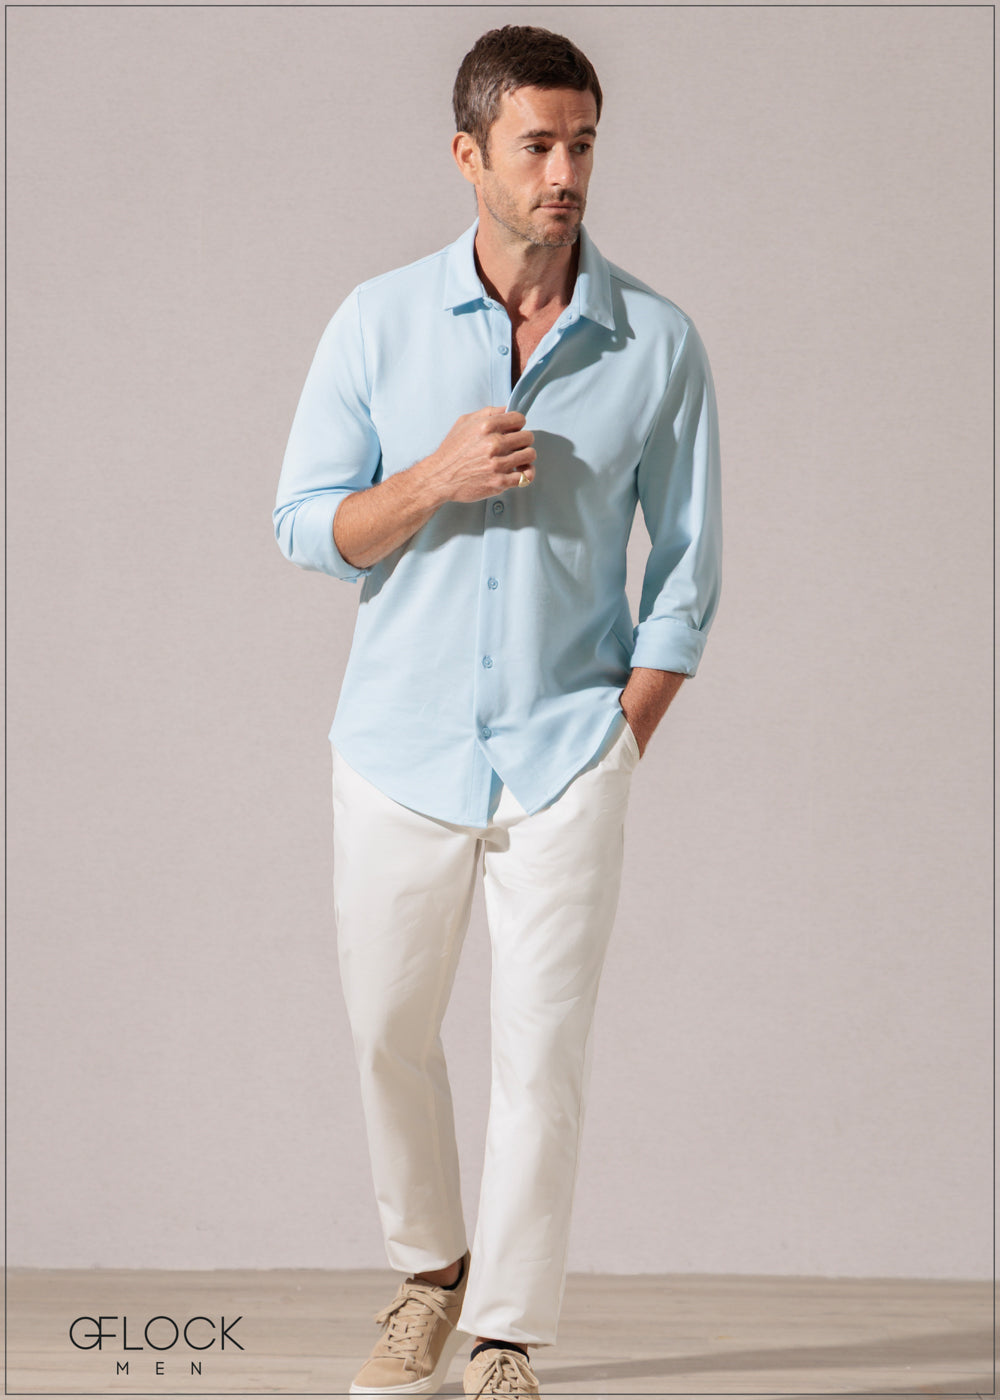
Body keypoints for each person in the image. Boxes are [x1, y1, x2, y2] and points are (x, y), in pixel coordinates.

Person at [273, 24, 722, 1400]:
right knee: (387, 1031)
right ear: (468, 156)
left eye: (582, 143)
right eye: (537, 145)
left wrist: (618, 738)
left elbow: (687, 568)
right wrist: (432, 478)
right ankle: (430, 1272)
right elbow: (305, 527)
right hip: (395, 750)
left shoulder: (657, 343)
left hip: (564, 757)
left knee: (544, 1056)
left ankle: (508, 1334)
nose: (565, 172)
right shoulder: (376, 321)